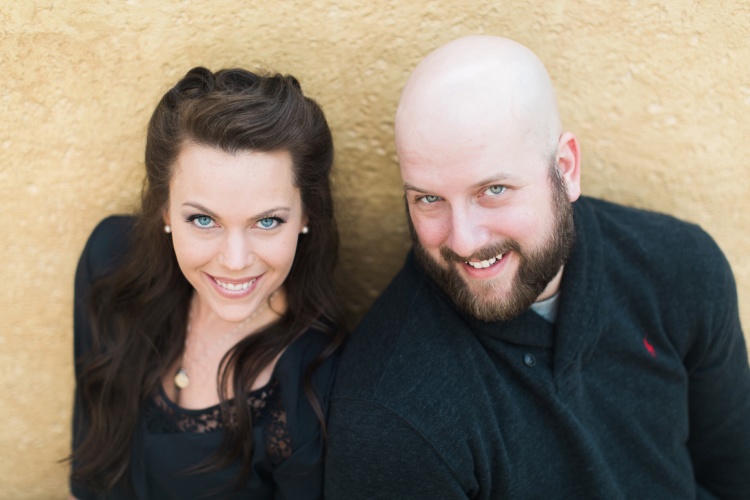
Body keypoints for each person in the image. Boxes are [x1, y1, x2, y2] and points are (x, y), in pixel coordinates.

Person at [325, 35, 750, 499]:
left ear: (565, 169)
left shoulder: (680, 270)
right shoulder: (391, 417)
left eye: (494, 190)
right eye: (429, 199)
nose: (463, 239)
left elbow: (733, 474)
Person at [69, 66, 346, 499]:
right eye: (203, 219)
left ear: (307, 214)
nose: (235, 261)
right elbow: (90, 479)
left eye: (268, 221)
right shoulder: (110, 267)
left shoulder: (314, 389)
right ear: (163, 209)